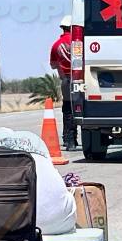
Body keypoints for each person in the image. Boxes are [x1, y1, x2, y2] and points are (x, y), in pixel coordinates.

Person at [50, 15, 76, 151]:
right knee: (80, 108)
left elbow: (53, 65)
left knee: (67, 109)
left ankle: (69, 140)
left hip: (65, 80)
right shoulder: (79, 42)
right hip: (81, 79)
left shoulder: (56, 45)